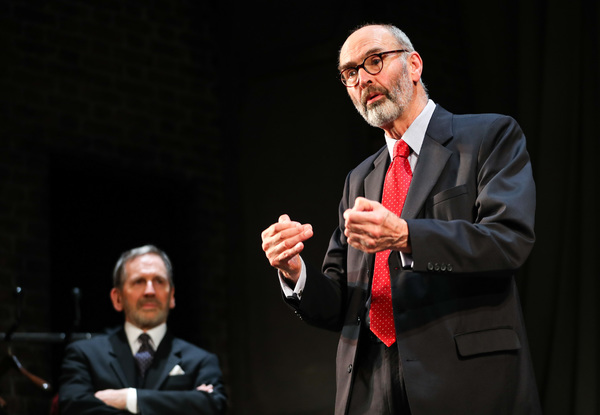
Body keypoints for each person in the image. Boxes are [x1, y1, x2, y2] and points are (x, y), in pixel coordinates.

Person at [261, 23, 542, 415]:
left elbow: (507, 241)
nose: (363, 79)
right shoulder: (360, 178)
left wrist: (407, 236)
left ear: (414, 65)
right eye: (350, 73)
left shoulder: (487, 137)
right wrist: (295, 273)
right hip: (371, 388)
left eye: (374, 61)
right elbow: (341, 301)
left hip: (466, 383)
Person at [58, 245, 227, 414]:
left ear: (172, 296)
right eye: (139, 281)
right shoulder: (84, 355)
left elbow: (213, 407)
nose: (150, 291)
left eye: (159, 281)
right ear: (117, 298)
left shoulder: (201, 361)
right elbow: (74, 408)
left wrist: (130, 398)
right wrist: (184, 403)